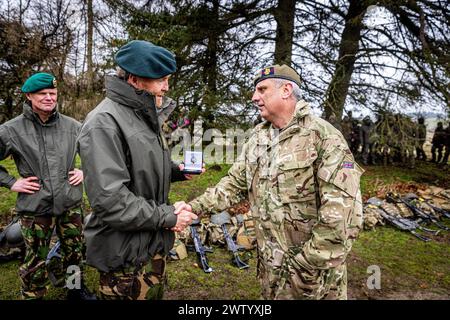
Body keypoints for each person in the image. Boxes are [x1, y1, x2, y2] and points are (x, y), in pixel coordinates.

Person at [177, 64, 364, 300]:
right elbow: (234, 184)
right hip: (270, 270)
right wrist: (193, 208)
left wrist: (305, 264)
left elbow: (344, 216)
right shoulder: (258, 137)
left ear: (286, 90)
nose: (254, 97)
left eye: (262, 89)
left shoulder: (323, 137)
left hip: (312, 278)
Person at [77, 40, 198, 300]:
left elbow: (139, 165)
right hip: (124, 258)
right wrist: (169, 216)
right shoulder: (104, 122)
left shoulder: (143, 115)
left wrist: (177, 171)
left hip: (150, 247)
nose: (166, 87)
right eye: (160, 80)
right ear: (134, 79)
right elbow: (111, 201)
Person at [0, 73, 95, 300]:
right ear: (29, 96)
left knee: (74, 252)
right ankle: (33, 294)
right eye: (43, 93)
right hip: (35, 207)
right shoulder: (11, 130)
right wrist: (12, 182)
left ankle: (74, 289)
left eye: (52, 93)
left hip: (70, 204)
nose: (49, 98)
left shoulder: (73, 126)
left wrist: (86, 171)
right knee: (35, 258)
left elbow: (98, 154)